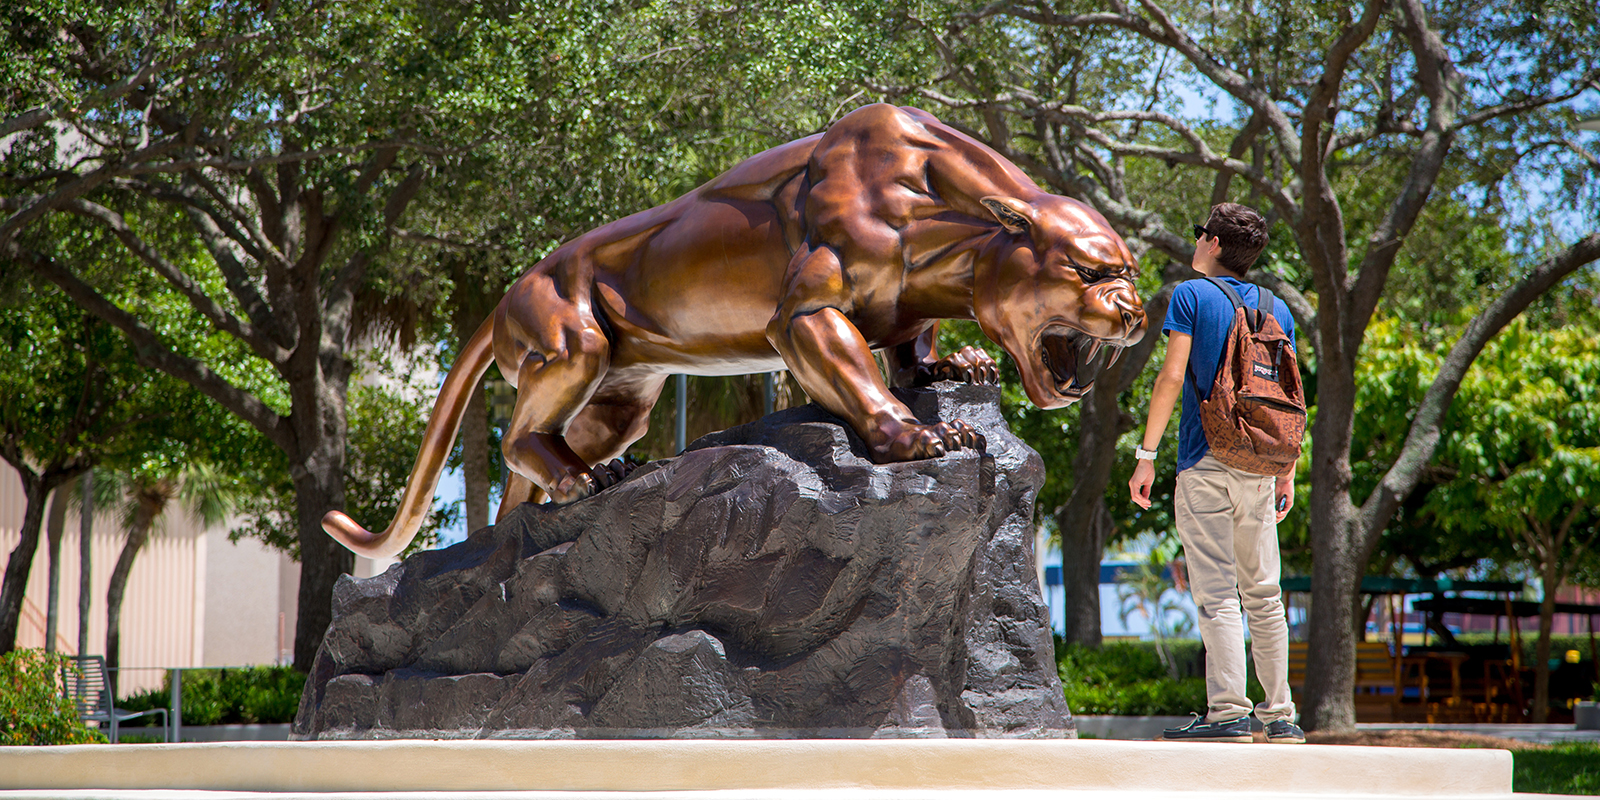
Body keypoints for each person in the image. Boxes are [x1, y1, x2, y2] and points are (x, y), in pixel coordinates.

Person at [1127, 202, 1303, 744]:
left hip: (1206, 460)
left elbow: (1171, 375)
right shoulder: (1278, 307)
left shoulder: (1192, 295)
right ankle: (1280, 716)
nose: (1196, 241)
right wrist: (1287, 470)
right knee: (1265, 594)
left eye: (1201, 233)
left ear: (1216, 244)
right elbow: (1290, 395)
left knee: (1218, 592)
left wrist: (1146, 454)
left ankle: (1228, 713)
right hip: (1261, 464)